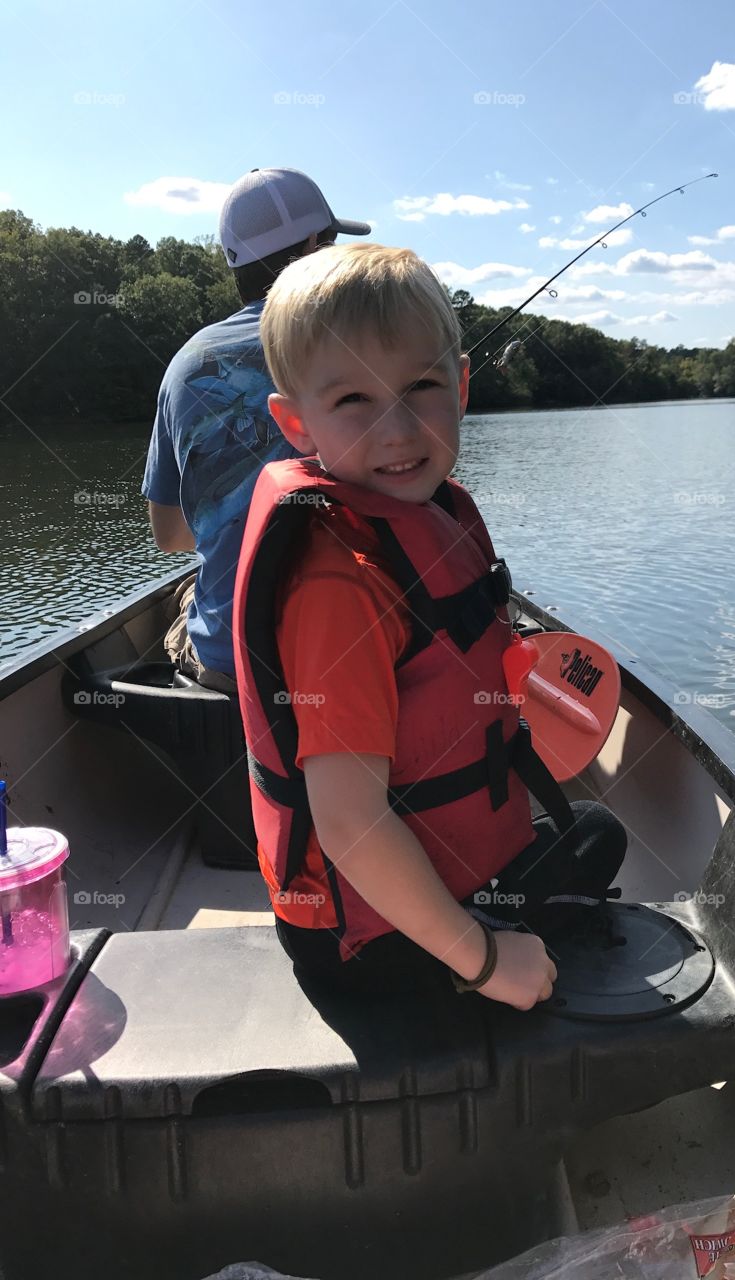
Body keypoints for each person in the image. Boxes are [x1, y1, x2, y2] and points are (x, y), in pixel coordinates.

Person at [233, 244, 627, 1010]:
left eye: (421, 386)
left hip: (430, 883)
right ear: (295, 422)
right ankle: (464, 976)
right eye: (353, 399)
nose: (398, 429)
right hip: (369, 943)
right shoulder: (339, 582)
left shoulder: (424, 514)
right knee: (596, 839)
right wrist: (486, 959)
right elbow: (348, 823)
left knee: (594, 832)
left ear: (462, 386)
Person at [142, 168, 371, 692]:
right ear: (315, 247)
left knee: (187, 598)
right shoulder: (369, 341)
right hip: (362, 654)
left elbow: (169, 535)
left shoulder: (186, 365)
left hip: (234, 665)